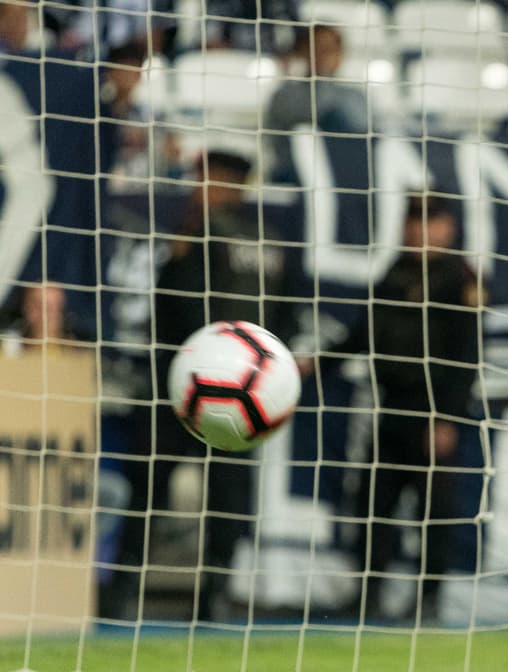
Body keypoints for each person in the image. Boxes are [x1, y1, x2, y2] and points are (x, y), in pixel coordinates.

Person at [139, 149, 288, 621]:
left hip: (226, 393)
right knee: (151, 486)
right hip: (187, 389)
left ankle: (215, 590)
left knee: (226, 497)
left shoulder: (243, 239)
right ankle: (123, 582)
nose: (202, 190)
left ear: (235, 186)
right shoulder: (194, 235)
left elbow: (281, 312)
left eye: (213, 181)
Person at [331, 196, 481, 623]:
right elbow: (364, 333)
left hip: (432, 412)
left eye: (428, 222)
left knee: (432, 510)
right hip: (391, 407)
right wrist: (317, 361)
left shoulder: (459, 279)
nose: (419, 231)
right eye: (413, 221)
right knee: (373, 503)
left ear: (448, 228)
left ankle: (428, 599)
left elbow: (465, 357)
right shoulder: (395, 272)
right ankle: (368, 594)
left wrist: (447, 418)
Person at [263, 23, 372, 181]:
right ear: (303, 52)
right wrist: (323, 77)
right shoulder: (285, 94)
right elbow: (316, 114)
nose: (324, 55)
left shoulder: (355, 96)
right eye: (318, 48)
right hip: (295, 176)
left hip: (347, 176)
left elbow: (361, 135)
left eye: (331, 49)